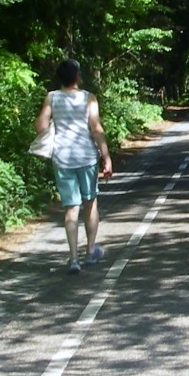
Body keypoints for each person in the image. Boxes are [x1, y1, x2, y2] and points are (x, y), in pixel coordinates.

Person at [34, 59, 114, 274]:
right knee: (90, 203)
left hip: (63, 158)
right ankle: (90, 252)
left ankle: (73, 259)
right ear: (77, 75)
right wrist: (106, 156)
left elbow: (40, 127)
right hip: (87, 157)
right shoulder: (88, 98)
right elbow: (96, 129)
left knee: (71, 208)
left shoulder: (52, 97)